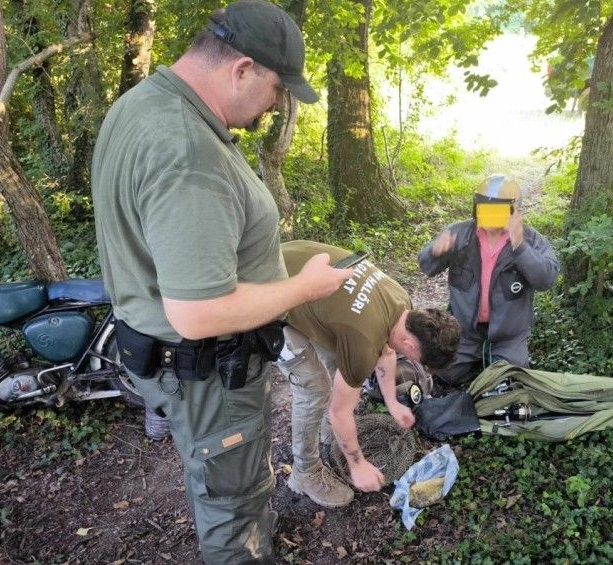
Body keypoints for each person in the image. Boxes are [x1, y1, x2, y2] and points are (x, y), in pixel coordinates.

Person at [91, 2, 351, 562]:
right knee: (234, 512)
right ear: (242, 70)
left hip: (181, 366)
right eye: (278, 89)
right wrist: (304, 288)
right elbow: (197, 311)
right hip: (209, 371)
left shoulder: (143, 106)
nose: (278, 103)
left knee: (223, 482)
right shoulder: (188, 150)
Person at [278, 240, 461, 507]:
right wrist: (358, 464)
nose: (409, 360)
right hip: (270, 292)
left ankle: (330, 436)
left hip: (295, 261)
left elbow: (386, 353)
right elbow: (340, 412)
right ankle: (305, 472)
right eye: (415, 358)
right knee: (315, 388)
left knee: (338, 363)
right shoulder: (364, 341)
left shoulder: (402, 303)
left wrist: (392, 403)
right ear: (410, 345)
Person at [418, 174, 559, 386]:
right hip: (464, 332)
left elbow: (546, 279)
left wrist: (520, 247)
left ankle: (493, 366)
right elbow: (426, 266)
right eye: (485, 207)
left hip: (508, 336)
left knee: (509, 384)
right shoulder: (460, 234)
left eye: (499, 209)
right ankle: (474, 364)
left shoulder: (531, 239)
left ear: (514, 210)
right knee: (444, 376)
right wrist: (435, 252)